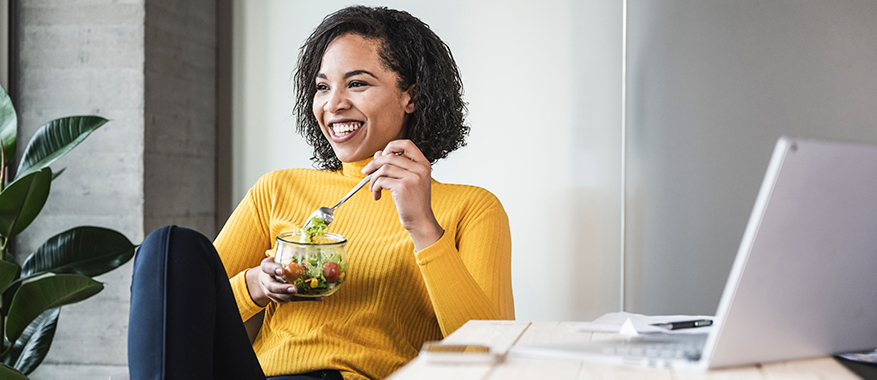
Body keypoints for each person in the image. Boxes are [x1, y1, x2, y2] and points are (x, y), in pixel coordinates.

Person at [128, 5, 513, 380]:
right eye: (322, 87)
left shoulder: (470, 208)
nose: (333, 104)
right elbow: (183, 315)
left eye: (357, 83)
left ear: (411, 95)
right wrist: (257, 286)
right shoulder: (277, 189)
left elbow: (493, 352)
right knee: (170, 246)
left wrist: (423, 227)